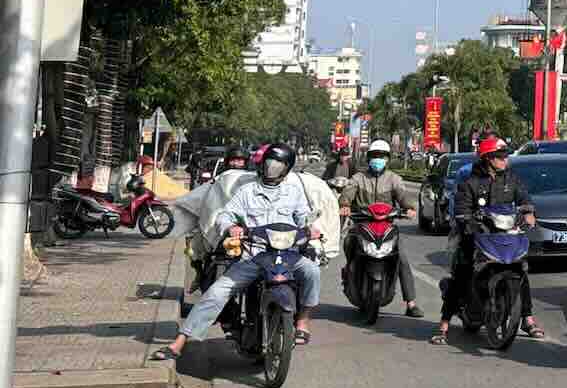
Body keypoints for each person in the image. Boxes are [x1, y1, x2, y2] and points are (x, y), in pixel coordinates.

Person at [156, 143, 321, 360]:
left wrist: (311, 228)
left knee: (312, 272)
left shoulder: (294, 192)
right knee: (217, 293)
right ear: (262, 164)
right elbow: (226, 214)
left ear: (286, 169)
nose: (272, 169)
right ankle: (179, 342)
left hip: (287, 255)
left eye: (278, 166)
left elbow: (303, 217)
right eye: (269, 163)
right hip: (254, 255)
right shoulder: (247, 191)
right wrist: (230, 227)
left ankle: (303, 321)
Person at [434, 137, 544, 345]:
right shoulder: (470, 181)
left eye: (505, 156)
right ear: (487, 158)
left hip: (504, 234)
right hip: (477, 233)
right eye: (499, 156)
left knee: (520, 269)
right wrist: (466, 220)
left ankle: (527, 318)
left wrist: (529, 212)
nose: (505, 160)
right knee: (463, 269)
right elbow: (461, 207)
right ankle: (444, 324)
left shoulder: (512, 179)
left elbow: (524, 198)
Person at [338, 139, 425, 318]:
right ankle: (350, 274)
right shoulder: (358, 178)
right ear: (369, 158)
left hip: (386, 227)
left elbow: (402, 196)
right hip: (362, 225)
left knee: (401, 258)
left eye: (381, 156)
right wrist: (345, 204)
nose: (378, 159)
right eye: (374, 156)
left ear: (387, 159)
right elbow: (347, 194)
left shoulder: (394, 179)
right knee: (348, 243)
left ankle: (411, 303)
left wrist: (409, 208)